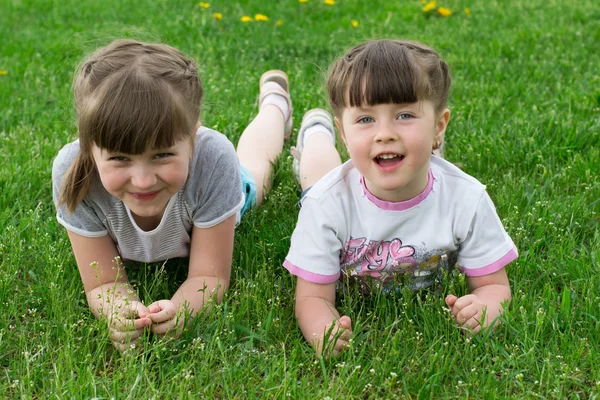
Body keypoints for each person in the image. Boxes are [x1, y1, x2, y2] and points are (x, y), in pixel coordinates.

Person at [52, 39, 293, 352]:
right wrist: (122, 314)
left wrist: (184, 310)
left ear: (192, 136)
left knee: (257, 170)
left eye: (162, 155)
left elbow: (210, 276)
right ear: (89, 146)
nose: (142, 180)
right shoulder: (74, 173)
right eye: (120, 158)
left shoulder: (213, 159)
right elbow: (103, 282)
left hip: (215, 191)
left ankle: (275, 106)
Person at [284, 39, 518, 357]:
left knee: (412, 159)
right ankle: (316, 131)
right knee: (316, 174)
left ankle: (423, 150)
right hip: (331, 187)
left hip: (417, 165)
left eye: (404, 115)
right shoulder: (325, 206)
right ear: (345, 132)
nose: (384, 133)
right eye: (366, 119)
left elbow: (494, 286)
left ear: (440, 125)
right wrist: (323, 329)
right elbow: (312, 298)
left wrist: (487, 308)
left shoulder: (467, 199)